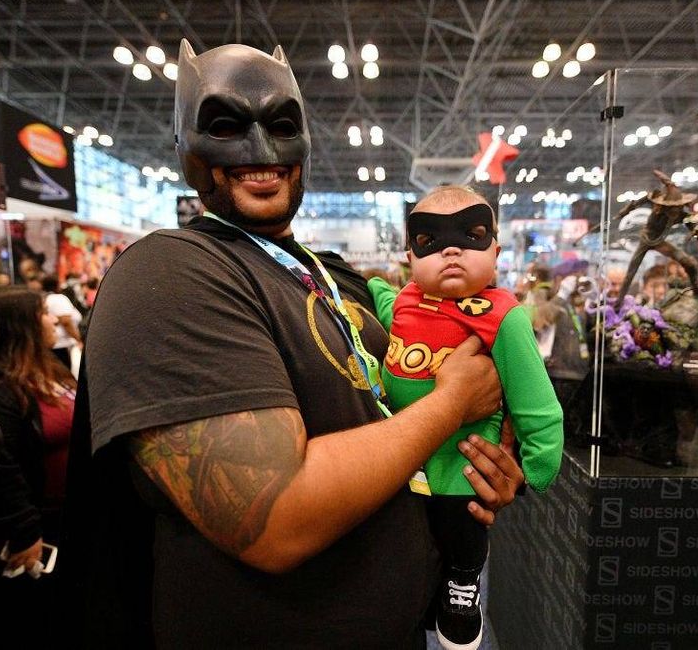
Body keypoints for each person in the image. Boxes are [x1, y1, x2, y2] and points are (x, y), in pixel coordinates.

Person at [69, 41, 522, 649]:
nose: (260, 151)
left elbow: (411, 407)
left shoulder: (338, 276)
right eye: (225, 125)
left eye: (281, 124)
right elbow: (274, 518)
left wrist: (483, 463)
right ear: (188, 150)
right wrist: (450, 408)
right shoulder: (170, 275)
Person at [368, 187, 563, 649]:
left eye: (470, 236)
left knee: (464, 526)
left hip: (463, 463)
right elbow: (378, 299)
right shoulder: (404, 302)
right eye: (430, 241)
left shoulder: (504, 316)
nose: (451, 249)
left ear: (495, 250)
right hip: (399, 461)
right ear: (410, 256)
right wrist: (365, 286)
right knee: (405, 542)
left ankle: (462, 586)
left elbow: (537, 401)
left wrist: (538, 466)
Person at [0, 285, 77, 649]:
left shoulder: (44, 367)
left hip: (63, 522)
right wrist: (24, 530)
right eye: (42, 312)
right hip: (35, 534)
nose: (53, 318)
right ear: (16, 325)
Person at [41, 275, 82, 374]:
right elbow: (66, 322)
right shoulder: (58, 299)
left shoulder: (46, 298)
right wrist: (79, 339)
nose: (54, 319)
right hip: (60, 346)